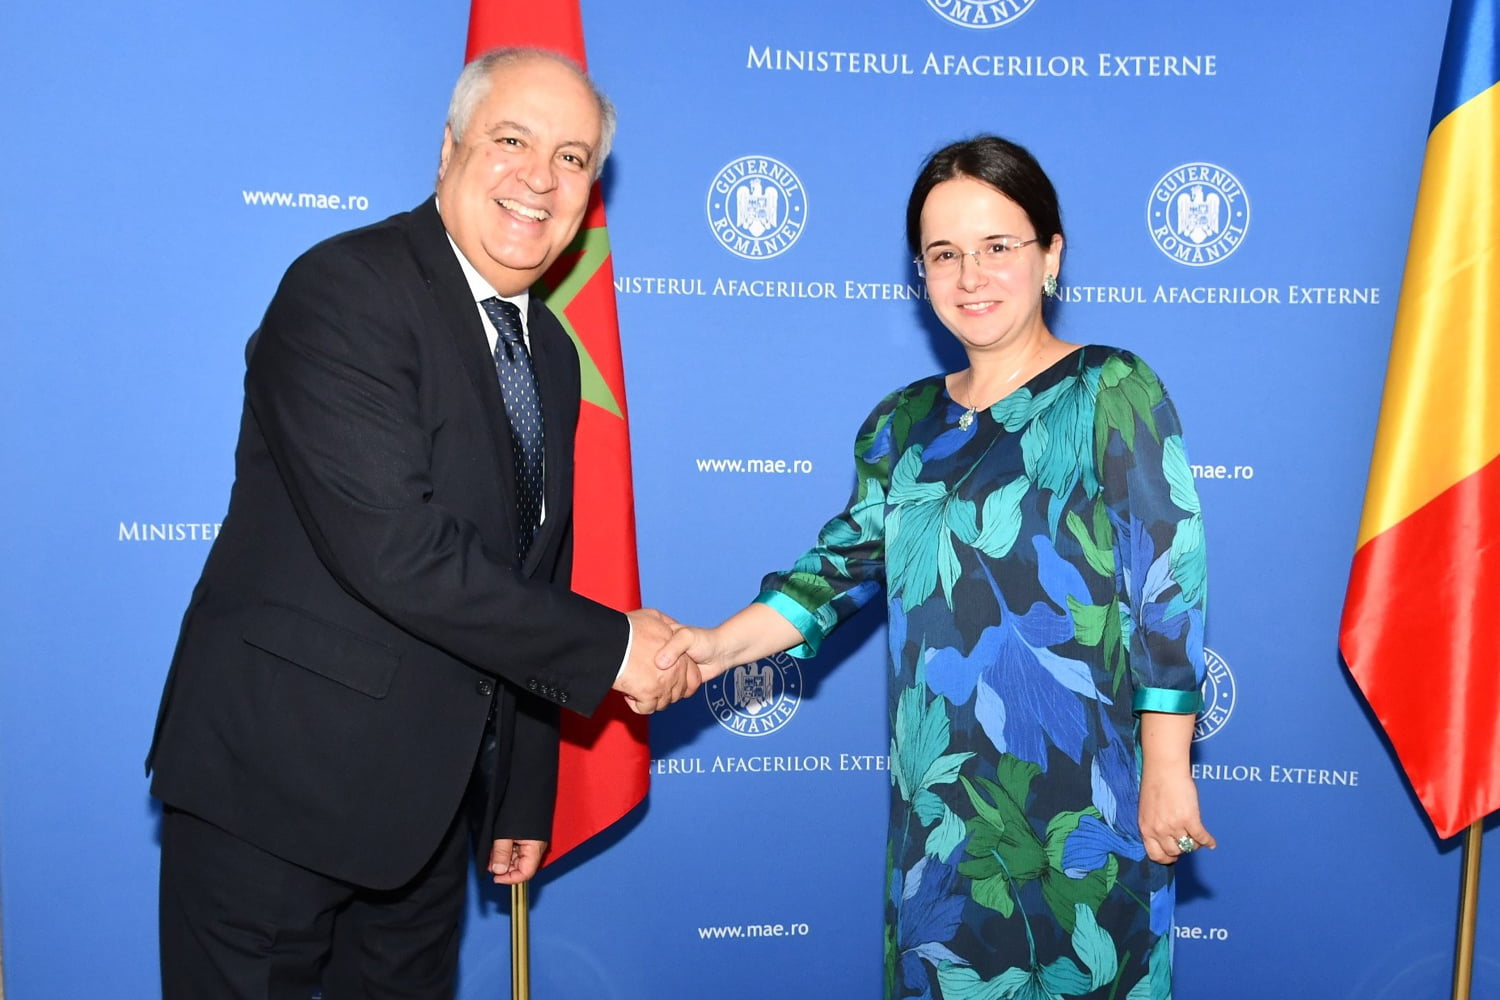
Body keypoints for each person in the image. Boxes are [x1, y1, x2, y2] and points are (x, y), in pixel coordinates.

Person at [146, 47, 697, 999]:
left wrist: (521, 791)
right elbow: (397, 550)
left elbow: (531, 571)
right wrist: (616, 649)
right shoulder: (347, 289)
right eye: (512, 140)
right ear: (449, 151)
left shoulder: (551, 349)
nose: (540, 178)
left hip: (426, 816)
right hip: (271, 796)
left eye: (571, 158)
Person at [659, 136, 1214, 998]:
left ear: (1051, 255)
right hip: (943, 820)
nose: (971, 275)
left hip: (1091, 807)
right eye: (944, 254)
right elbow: (832, 574)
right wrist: (710, 647)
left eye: (997, 246)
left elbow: (1167, 586)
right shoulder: (901, 424)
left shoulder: (1113, 388)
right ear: (920, 273)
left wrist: (1168, 769)